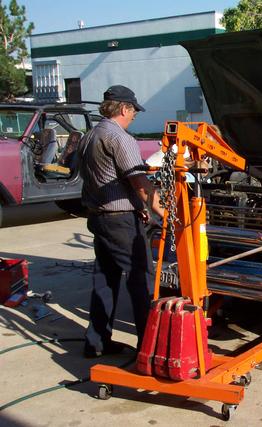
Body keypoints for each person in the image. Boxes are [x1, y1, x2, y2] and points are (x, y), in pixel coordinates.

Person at [78, 85, 164, 358]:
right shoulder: (120, 138)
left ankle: (96, 343)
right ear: (124, 109)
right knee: (141, 280)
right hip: (120, 221)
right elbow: (139, 182)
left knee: (105, 279)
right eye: (134, 111)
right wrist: (168, 213)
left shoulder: (89, 136)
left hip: (99, 218)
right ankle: (148, 348)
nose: (134, 116)